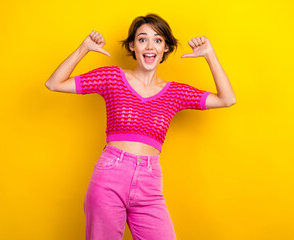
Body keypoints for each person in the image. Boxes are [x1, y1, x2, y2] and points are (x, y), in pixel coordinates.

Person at [45, 13, 236, 240]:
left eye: (157, 40)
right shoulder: (112, 78)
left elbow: (227, 99)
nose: (149, 45)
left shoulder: (175, 92)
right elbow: (54, 83)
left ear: (165, 48)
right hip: (110, 175)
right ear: (132, 46)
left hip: (150, 181)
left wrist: (210, 55)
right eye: (142, 39)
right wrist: (83, 48)